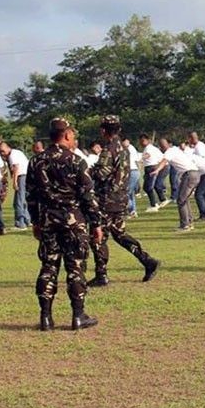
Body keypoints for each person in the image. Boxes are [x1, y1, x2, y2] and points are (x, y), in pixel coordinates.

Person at [26, 118, 103, 330]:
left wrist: (35, 221)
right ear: (67, 135)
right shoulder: (77, 161)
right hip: (73, 221)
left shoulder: (35, 161)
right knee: (75, 267)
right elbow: (88, 197)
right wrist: (96, 224)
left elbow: (30, 196)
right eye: (73, 136)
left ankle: (46, 318)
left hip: (48, 221)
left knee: (48, 267)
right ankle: (78, 316)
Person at [87, 116, 160, 287]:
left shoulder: (108, 150)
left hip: (106, 200)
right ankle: (147, 261)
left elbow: (101, 174)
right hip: (120, 198)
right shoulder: (124, 149)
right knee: (119, 235)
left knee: (98, 237)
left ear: (103, 130)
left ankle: (101, 275)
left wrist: (89, 171)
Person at [152, 138, 200, 231]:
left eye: (161, 146)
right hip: (194, 173)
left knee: (181, 200)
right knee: (184, 199)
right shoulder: (175, 150)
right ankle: (189, 222)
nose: (160, 148)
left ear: (163, 146)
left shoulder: (169, 152)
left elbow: (164, 161)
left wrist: (157, 170)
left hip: (189, 174)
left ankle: (185, 225)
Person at [0, 141, 31, 230]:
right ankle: (27, 220)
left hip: (21, 176)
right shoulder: (17, 152)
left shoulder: (13, 155)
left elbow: (16, 168)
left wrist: (15, 181)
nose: (2, 153)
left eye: (2, 151)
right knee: (23, 200)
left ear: (7, 147)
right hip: (27, 176)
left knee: (18, 201)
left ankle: (20, 224)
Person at [139, 134, 168, 212]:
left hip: (152, 167)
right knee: (152, 186)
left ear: (148, 140)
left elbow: (148, 155)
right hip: (155, 167)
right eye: (140, 141)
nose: (141, 143)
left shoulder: (149, 148)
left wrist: (140, 158)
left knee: (148, 187)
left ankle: (154, 205)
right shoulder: (150, 148)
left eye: (143, 141)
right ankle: (162, 200)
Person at [121, 137, 141, 217]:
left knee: (126, 192)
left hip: (132, 171)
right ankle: (133, 211)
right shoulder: (130, 148)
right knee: (130, 192)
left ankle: (129, 209)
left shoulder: (129, 149)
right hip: (133, 171)